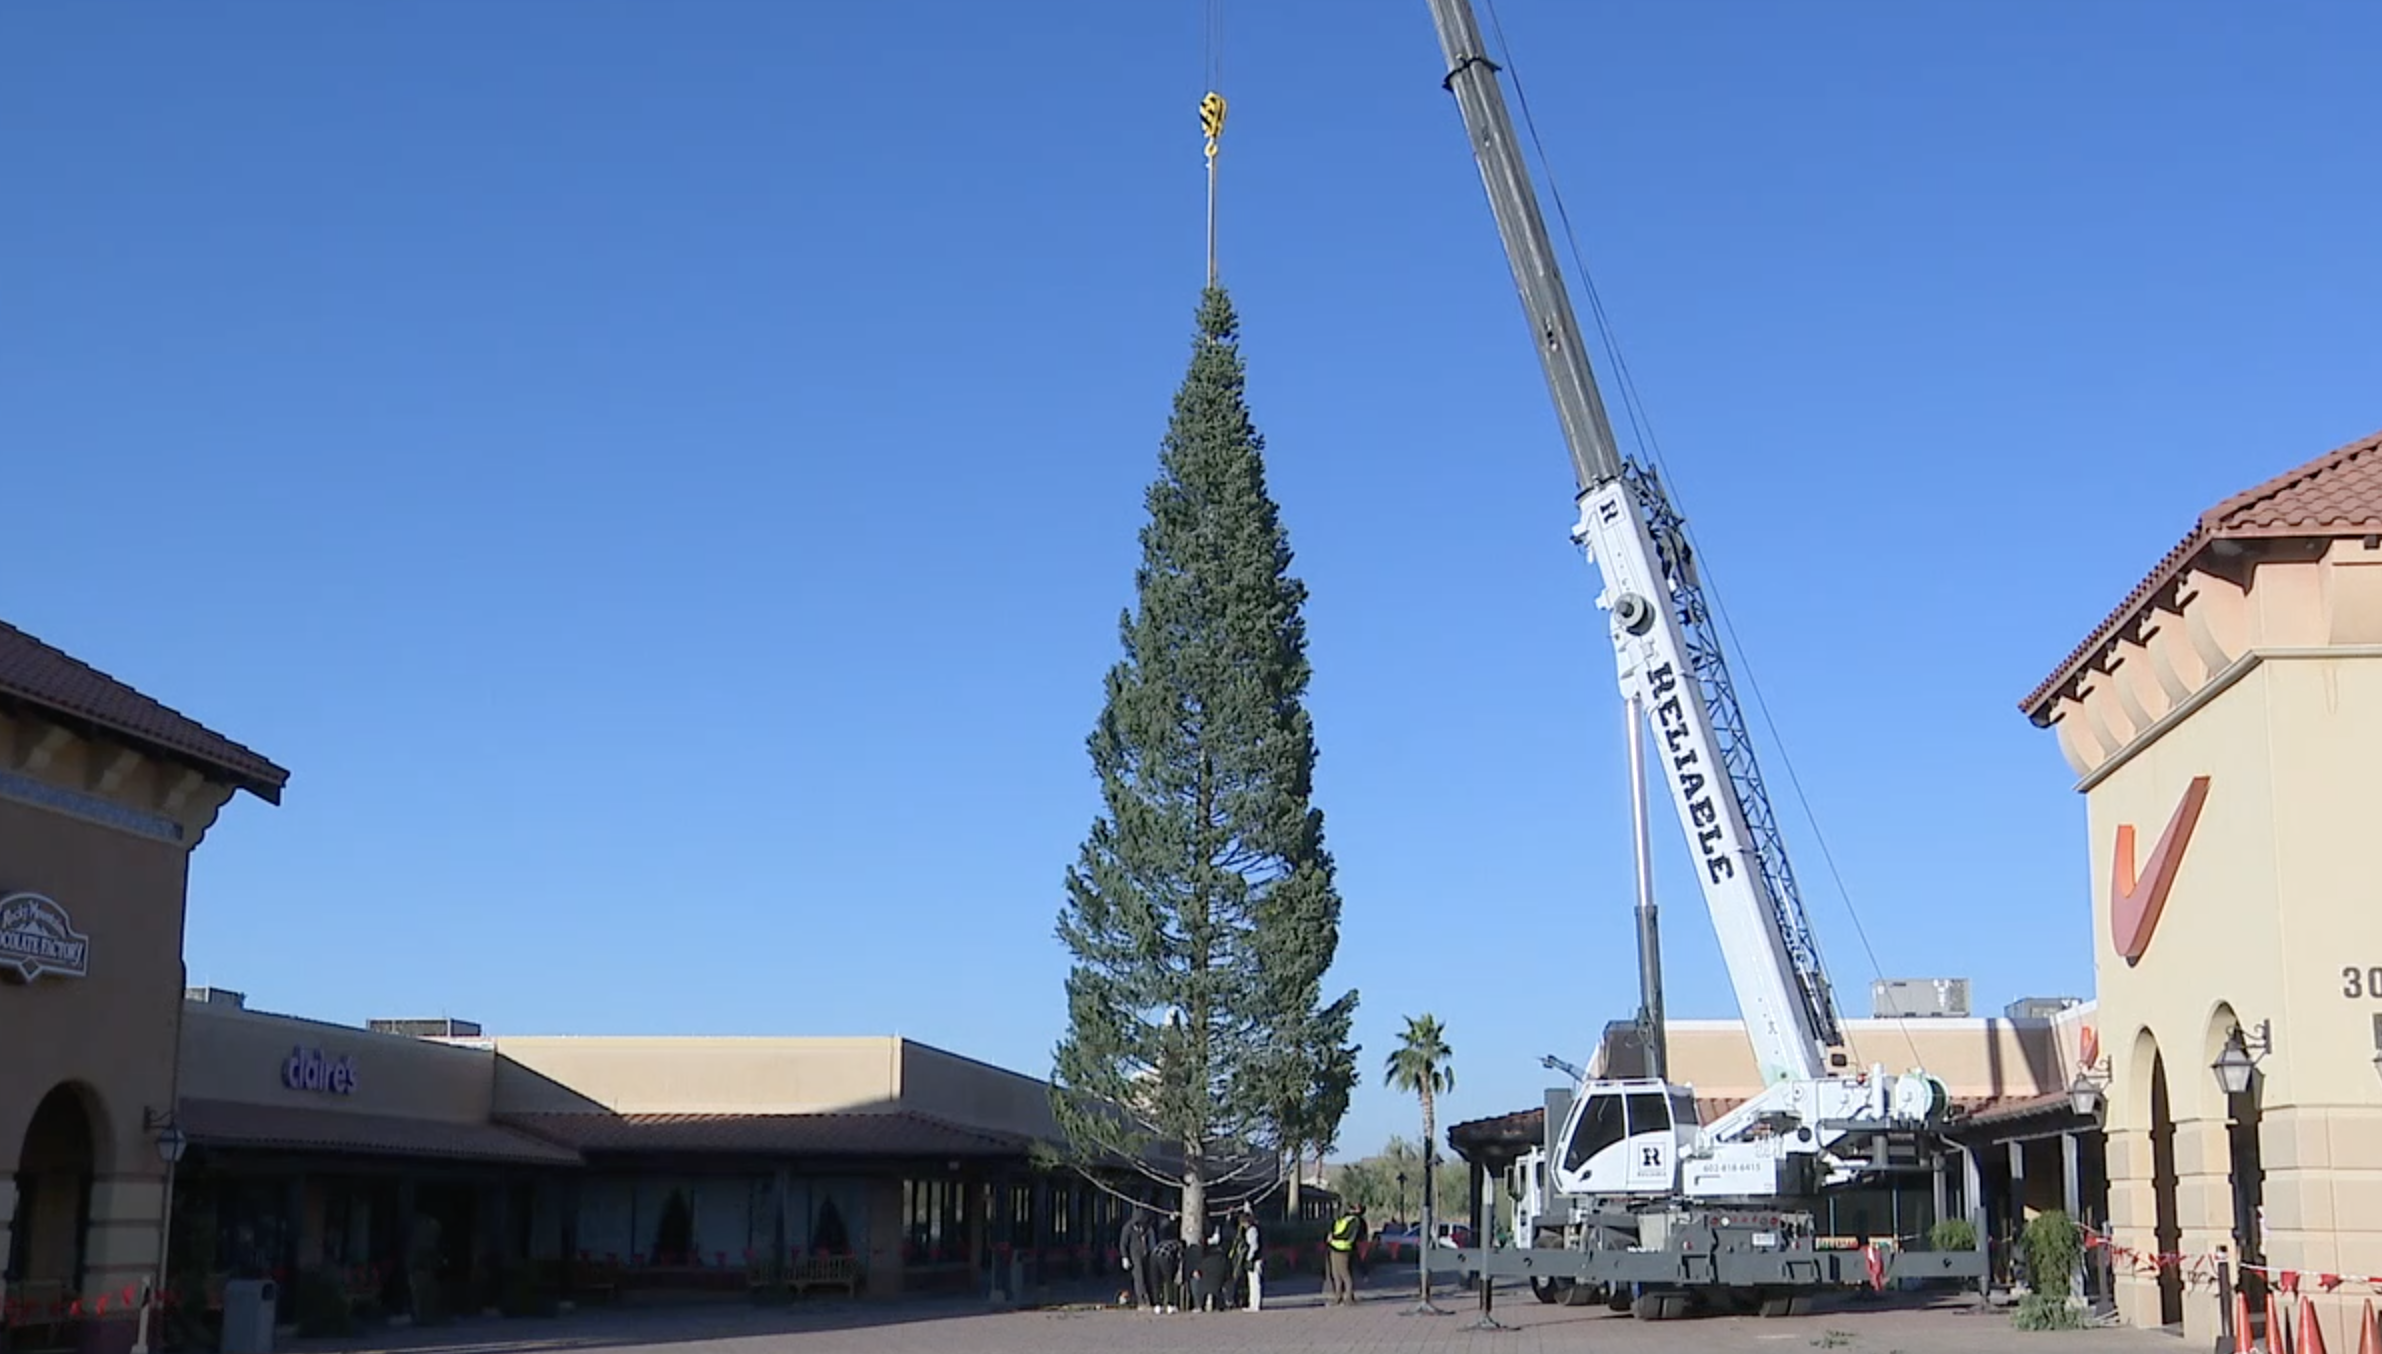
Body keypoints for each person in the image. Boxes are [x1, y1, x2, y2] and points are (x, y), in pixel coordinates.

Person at [1326, 1202, 1366, 1305]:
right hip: (1334, 1247)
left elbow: (1346, 1234)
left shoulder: (1355, 1220)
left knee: (1345, 1274)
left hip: (1343, 1249)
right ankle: (1337, 1296)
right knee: (1335, 1274)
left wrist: (1334, 1237)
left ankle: (1349, 1298)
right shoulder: (1345, 1218)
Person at [1119, 1209, 1154, 1311]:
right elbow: (1123, 1244)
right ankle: (1141, 1302)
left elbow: (1151, 1240)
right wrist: (1125, 1257)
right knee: (1139, 1279)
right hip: (1134, 1255)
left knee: (1148, 1278)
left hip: (1146, 1254)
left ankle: (1150, 1300)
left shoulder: (1147, 1227)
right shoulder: (1128, 1228)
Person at [1237, 1208, 1264, 1312]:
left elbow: (1254, 1246)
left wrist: (1248, 1258)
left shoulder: (1251, 1230)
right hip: (1257, 1258)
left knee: (1254, 1282)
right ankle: (1253, 1303)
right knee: (1253, 1282)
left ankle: (1255, 1304)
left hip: (1255, 1259)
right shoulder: (1254, 1229)